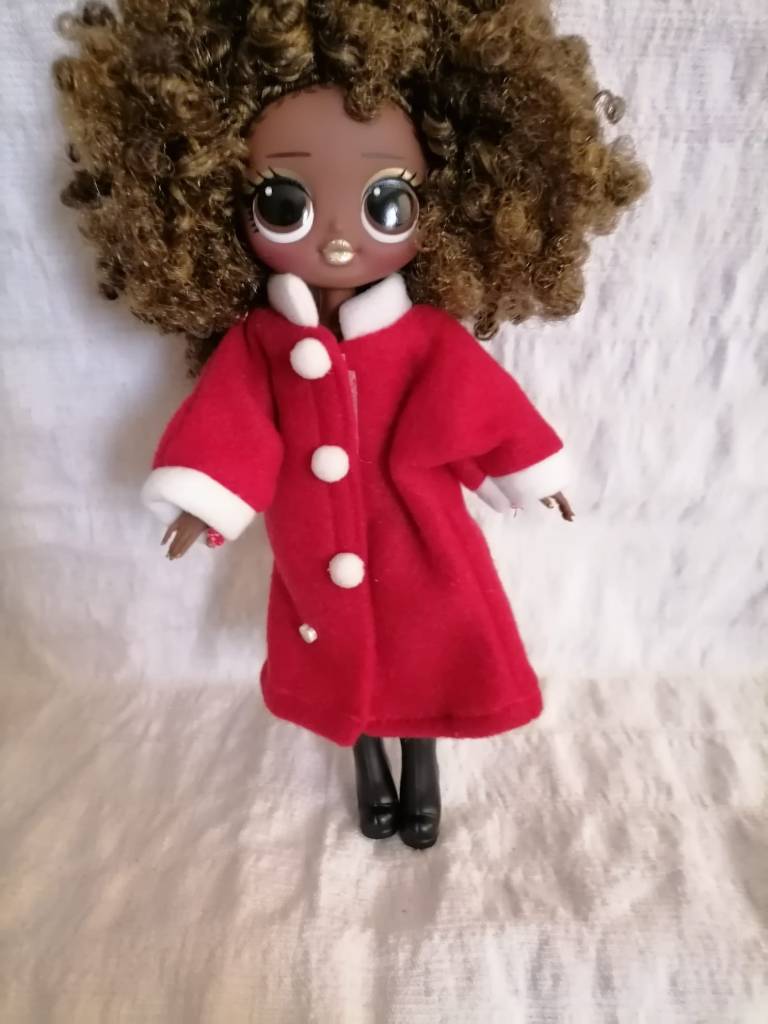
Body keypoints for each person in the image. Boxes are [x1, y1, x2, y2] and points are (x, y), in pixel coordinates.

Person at [54, 0, 646, 849]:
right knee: (342, 660)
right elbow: (232, 422)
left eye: (385, 203)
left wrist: (531, 470)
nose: (336, 240)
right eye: (286, 203)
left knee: (426, 649)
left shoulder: (424, 337)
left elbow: (481, 405)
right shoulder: (261, 342)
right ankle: (370, 763)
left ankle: (423, 763)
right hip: (312, 539)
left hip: (420, 534)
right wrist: (202, 499)